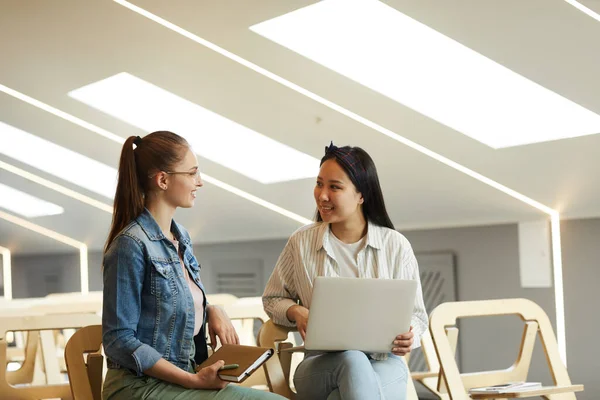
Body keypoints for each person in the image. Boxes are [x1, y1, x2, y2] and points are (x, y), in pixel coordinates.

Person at [102, 131, 284, 400]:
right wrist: (192, 380)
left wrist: (211, 309)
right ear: (163, 179)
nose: (200, 182)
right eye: (192, 173)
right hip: (138, 387)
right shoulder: (130, 244)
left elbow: (173, 302)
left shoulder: (181, 237)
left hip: (183, 376)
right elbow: (118, 340)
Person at [263, 142, 428, 400]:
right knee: (352, 361)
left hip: (385, 364)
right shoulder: (301, 242)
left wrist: (411, 335)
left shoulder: (396, 246)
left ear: (362, 195)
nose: (322, 195)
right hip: (319, 366)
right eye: (319, 184)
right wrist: (296, 312)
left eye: (334, 187)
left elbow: (418, 317)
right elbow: (272, 300)